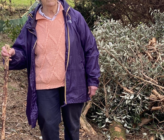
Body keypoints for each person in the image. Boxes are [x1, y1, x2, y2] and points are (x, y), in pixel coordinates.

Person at [1, 0, 100, 139]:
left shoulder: (74, 17)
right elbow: (23, 52)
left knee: (72, 129)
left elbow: (90, 49)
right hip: (44, 84)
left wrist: (93, 80)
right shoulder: (32, 22)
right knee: (48, 126)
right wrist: (13, 55)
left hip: (73, 83)